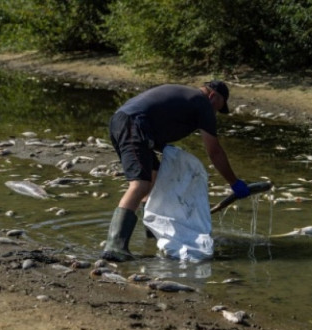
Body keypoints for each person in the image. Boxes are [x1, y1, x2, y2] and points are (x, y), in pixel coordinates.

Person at [101, 80, 250, 262]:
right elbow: (214, 151)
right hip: (133, 125)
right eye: (217, 108)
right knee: (140, 184)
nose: (214, 114)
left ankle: (152, 233)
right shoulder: (202, 103)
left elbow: (157, 115)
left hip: (124, 122)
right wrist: (233, 182)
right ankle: (114, 246)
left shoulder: (186, 95)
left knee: (153, 177)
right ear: (213, 96)